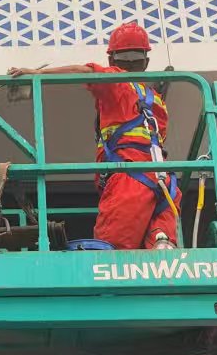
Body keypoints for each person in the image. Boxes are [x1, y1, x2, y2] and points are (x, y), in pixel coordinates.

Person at [10, 22, 180, 251]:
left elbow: (83, 72)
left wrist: (39, 74)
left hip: (129, 182)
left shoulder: (116, 81)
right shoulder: (156, 101)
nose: (129, 64)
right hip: (166, 185)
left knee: (110, 256)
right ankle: (161, 238)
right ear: (146, 62)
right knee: (161, 259)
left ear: (111, 60)